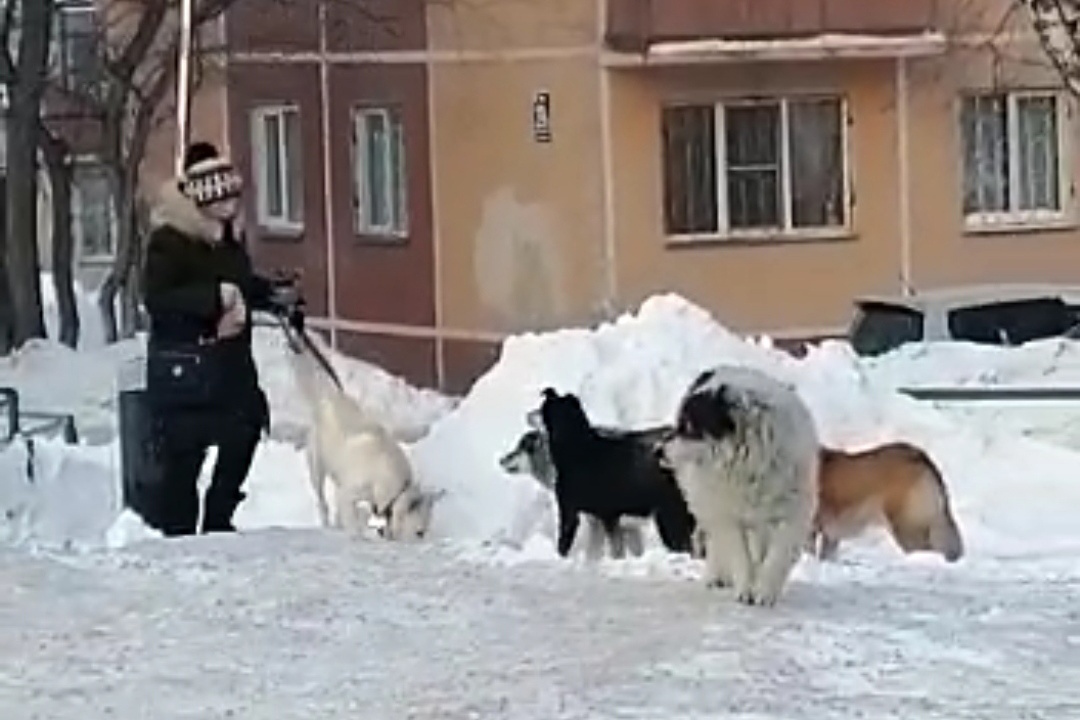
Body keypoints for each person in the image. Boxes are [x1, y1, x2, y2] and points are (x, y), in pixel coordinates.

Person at [141, 141, 298, 537]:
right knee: (183, 462)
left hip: (229, 371)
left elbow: (240, 282)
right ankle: (179, 541)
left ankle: (218, 520)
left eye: (234, 197)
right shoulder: (170, 240)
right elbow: (158, 298)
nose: (233, 205)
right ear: (204, 199)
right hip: (188, 371)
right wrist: (215, 299)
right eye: (224, 197)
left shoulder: (226, 237)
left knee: (245, 431)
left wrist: (271, 295)